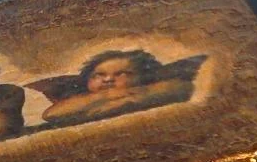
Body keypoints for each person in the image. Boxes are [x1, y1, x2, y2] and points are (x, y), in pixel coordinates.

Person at [39, 49, 202, 125]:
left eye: (121, 74)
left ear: (143, 77)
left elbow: (181, 87)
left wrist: (130, 96)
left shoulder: (158, 88)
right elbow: (52, 114)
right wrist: (105, 96)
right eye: (98, 75)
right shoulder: (82, 99)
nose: (108, 79)